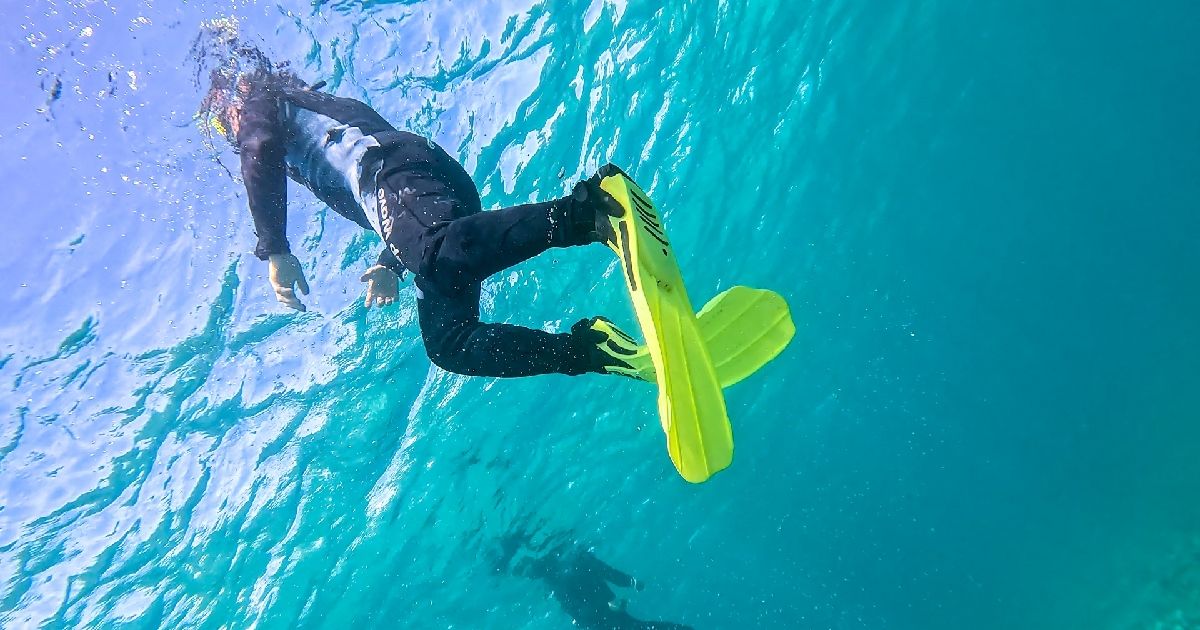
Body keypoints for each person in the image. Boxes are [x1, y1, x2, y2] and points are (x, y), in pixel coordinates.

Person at [196, 34, 639, 379]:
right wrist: (392, 260)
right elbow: (408, 203)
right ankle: (587, 350)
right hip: (421, 190)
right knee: (449, 343)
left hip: (394, 175)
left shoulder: (262, 101)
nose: (230, 133)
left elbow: (260, 147)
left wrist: (275, 248)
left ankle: (590, 213)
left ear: (234, 99)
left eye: (224, 121)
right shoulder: (314, 117)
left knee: (434, 252)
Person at [494, 533, 693, 630]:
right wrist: (627, 586)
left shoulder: (562, 571)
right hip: (602, 615)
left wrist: (629, 584)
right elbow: (605, 573)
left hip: (602, 614)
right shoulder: (567, 565)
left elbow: (605, 573)